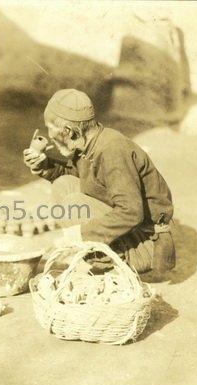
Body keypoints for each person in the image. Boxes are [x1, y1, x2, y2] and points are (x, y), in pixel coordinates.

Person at [23, 88, 175, 276]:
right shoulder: (89, 142)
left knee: (74, 204)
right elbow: (75, 174)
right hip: (129, 232)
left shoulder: (112, 150)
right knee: (64, 184)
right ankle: (90, 254)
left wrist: (79, 234)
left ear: (70, 131)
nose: (49, 137)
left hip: (147, 244)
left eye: (51, 130)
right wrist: (43, 165)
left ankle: (105, 267)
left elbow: (131, 212)